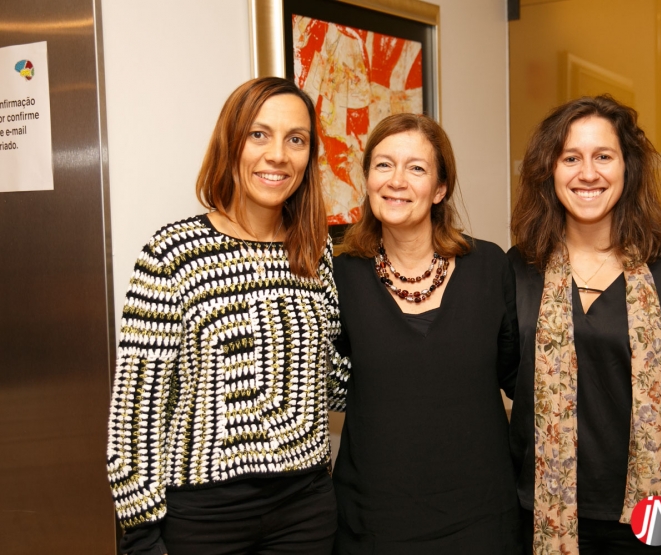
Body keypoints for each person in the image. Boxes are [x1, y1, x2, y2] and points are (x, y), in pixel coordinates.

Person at [106, 77, 350, 555]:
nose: (278, 155)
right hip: (203, 516)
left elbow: (332, 383)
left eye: (296, 139)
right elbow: (136, 411)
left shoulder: (315, 253)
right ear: (231, 142)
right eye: (259, 135)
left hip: (305, 510)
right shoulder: (173, 253)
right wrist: (140, 532)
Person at [508, 95, 661, 555]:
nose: (588, 173)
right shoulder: (519, 270)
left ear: (628, 168)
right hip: (538, 511)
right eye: (571, 158)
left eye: (603, 156)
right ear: (550, 171)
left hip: (648, 515)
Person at [331, 113, 522, 554]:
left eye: (416, 168)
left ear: (439, 189)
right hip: (373, 523)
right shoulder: (340, 276)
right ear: (367, 179)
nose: (396, 181)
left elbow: (519, 379)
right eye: (383, 165)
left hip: (481, 520)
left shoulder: (490, 267)